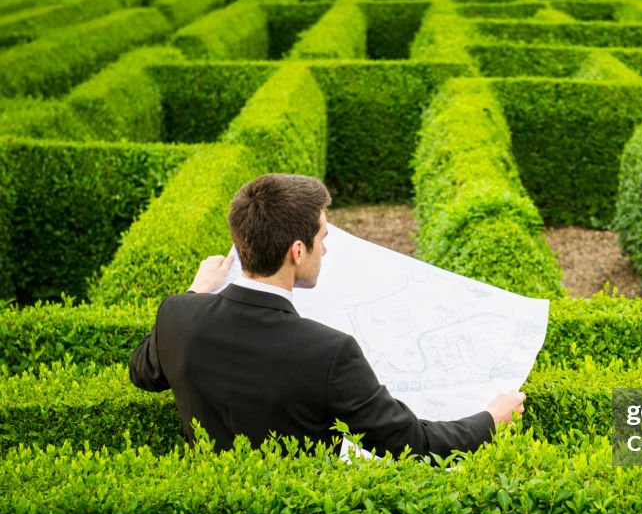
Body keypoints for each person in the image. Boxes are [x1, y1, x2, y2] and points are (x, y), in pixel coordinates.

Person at [129, 173, 526, 458]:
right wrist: (489, 419)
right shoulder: (329, 351)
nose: (326, 250)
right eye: (322, 239)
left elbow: (143, 373)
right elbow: (408, 444)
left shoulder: (177, 315)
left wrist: (197, 289)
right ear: (297, 251)